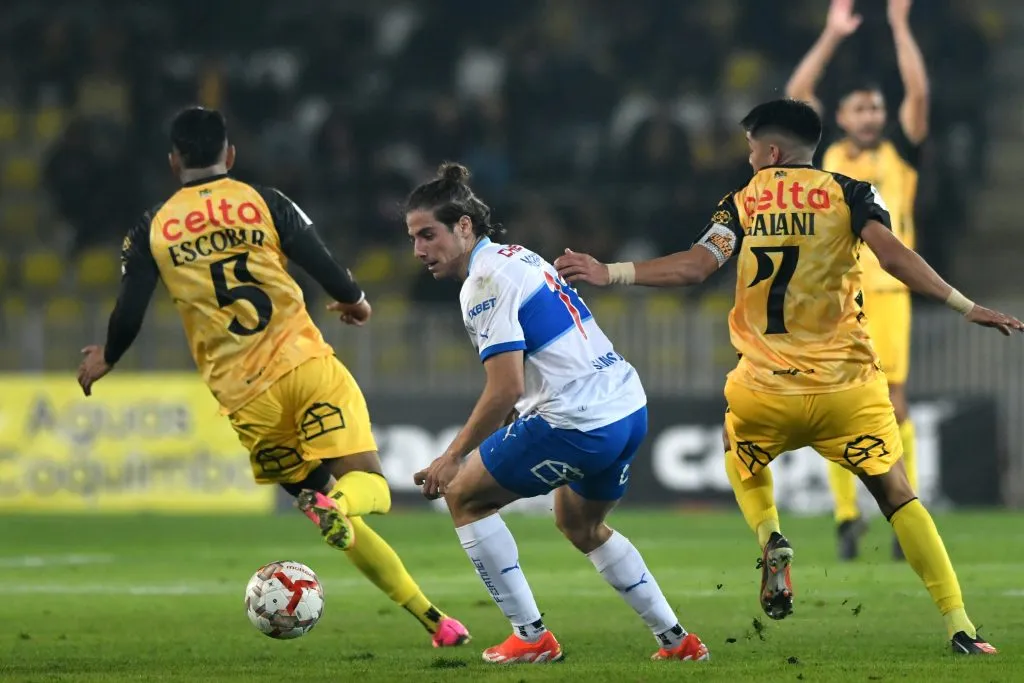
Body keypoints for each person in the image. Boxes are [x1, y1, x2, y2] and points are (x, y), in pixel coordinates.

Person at [554, 99, 1019, 655]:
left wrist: (611, 271)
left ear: (771, 151)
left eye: (752, 149)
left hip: (765, 390)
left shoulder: (743, 204)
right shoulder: (852, 194)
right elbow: (893, 257)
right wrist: (967, 307)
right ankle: (960, 626)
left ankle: (769, 535)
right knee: (898, 495)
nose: (749, 159)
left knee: (735, 441)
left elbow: (696, 266)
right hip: (846, 388)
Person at [76, 106, 470, 648]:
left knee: (327, 515)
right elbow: (323, 263)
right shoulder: (264, 201)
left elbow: (130, 311)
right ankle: (347, 510)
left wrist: (108, 357)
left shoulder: (153, 226)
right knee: (369, 489)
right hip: (303, 366)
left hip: (246, 401)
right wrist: (355, 302)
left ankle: (434, 620)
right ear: (229, 155)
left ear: (174, 162)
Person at [406, 162, 709, 665]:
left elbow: (506, 387)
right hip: (627, 406)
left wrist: (452, 457)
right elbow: (526, 376)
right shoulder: (517, 256)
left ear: (464, 226)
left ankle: (530, 636)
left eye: (427, 234)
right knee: (580, 525)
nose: (418, 250)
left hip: (579, 420)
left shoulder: (482, 282)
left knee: (463, 495)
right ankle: (677, 641)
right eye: (412, 238)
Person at [785, 0, 929, 561]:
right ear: (841, 118)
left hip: (889, 292)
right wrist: (830, 36)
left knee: (895, 404)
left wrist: (899, 24)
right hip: (837, 292)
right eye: (860, 108)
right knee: (837, 401)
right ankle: (848, 517)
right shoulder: (828, 160)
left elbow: (918, 96)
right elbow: (795, 100)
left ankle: (902, 511)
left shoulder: (901, 153)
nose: (871, 115)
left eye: (876, 108)